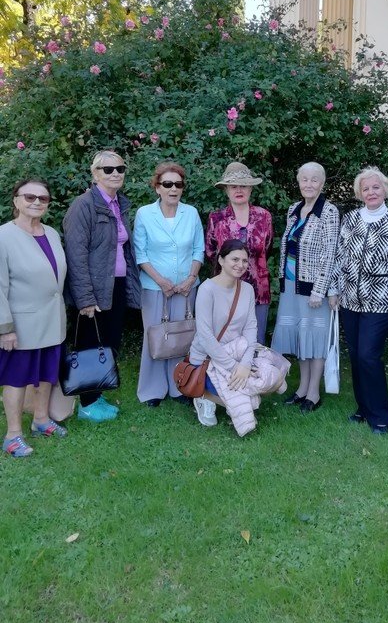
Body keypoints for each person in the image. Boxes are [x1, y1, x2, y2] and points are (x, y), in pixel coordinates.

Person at [329, 167, 388, 434]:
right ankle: (363, 408)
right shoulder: (350, 219)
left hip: (382, 300)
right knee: (356, 355)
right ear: (359, 193)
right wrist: (333, 289)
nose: (371, 192)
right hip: (350, 300)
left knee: (368, 355)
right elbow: (339, 256)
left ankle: (381, 415)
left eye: (375, 187)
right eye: (365, 188)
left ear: (385, 189)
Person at [63, 149, 141, 423]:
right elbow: (75, 254)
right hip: (93, 290)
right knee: (89, 345)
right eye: (108, 169)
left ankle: (95, 395)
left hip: (115, 285)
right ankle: (86, 404)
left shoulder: (118, 204)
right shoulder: (83, 205)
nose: (115, 173)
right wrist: (85, 298)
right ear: (95, 174)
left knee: (107, 343)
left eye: (120, 168)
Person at [190, 240, 289, 437]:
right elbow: (205, 336)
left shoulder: (247, 289)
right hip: (208, 358)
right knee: (245, 392)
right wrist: (235, 368)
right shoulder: (207, 289)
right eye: (235, 259)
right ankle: (204, 397)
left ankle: (230, 397)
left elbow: (251, 328)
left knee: (269, 376)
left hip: (238, 351)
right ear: (221, 260)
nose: (240, 265)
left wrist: (245, 364)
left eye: (244, 261)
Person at [0, 179, 68, 457]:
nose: (37, 202)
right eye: (30, 197)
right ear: (16, 200)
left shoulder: (51, 233)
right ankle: (13, 435)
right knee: (16, 378)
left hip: (52, 320)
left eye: (43, 198)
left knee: (47, 374)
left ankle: (41, 420)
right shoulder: (4, 236)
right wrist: (5, 328)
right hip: (21, 324)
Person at [133, 162, 205, 407]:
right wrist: (161, 281)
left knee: (182, 337)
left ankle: (179, 385)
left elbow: (198, 249)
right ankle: (152, 389)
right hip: (155, 288)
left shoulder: (191, 213)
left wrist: (191, 279)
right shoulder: (144, 214)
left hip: (186, 288)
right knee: (156, 336)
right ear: (157, 188)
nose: (173, 189)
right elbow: (140, 253)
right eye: (167, 184)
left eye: (178, 184)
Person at [271, 162, 339, 412]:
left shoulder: (329, 211)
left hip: (313, 288)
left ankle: (314, 392)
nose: (309, 184)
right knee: (301, 336)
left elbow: (330, 253)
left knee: (315, 338)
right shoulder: (294, 209)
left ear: (322, 183)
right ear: (299, 182)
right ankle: (301, 388)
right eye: (304, 179)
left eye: (314, 180)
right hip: (291, 284)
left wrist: (319, 290)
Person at [205, 162, 273, 344]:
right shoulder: (216, 218)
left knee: (255, 342)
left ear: (250, 189)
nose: (239, 190)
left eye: (243, 185)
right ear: (226, 190)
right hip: (225, 289)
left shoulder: (264, 216)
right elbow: (211, 253)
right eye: (233, 186)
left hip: (258, 291)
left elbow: (266, 248)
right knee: (225, 342)